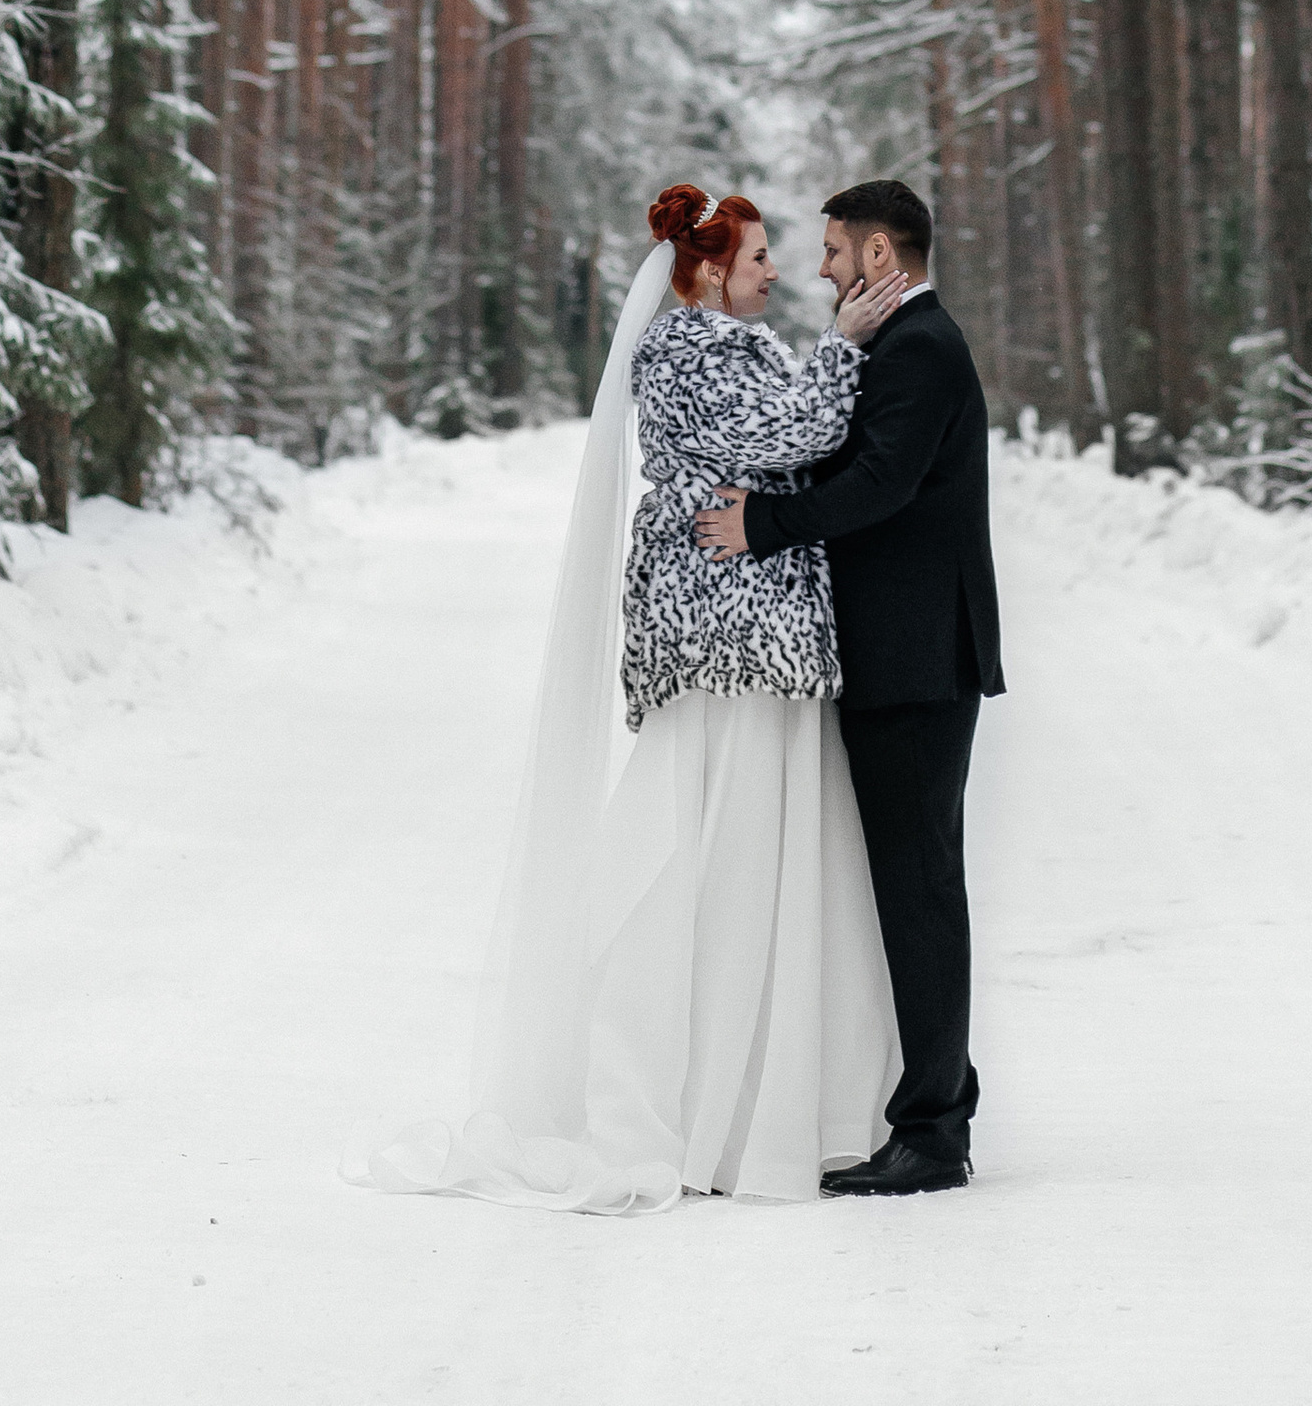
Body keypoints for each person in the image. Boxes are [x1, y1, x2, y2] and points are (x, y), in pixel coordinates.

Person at [362, 186, 905, 1210]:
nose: (775, 273)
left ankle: (749, 1105)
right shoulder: (688, 351)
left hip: (759, 639)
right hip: (725, 642)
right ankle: (691, 1106)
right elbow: (786, 441)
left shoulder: (721, 344)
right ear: (704, 271)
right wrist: (843, 344)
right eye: (755, 261)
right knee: (712, 859)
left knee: (751, 861)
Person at [696, 178, 1002, 1198]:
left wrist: (760, 528)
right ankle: (935, 1102)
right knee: (915, 884)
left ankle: (932, 1131)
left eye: (834, 250)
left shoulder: (919, 349)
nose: (820, 267)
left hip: (914, 660)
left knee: (919, 890)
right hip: (900, 655)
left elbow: (879, 483)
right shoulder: (898, 341)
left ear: (879, 255)